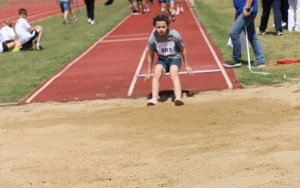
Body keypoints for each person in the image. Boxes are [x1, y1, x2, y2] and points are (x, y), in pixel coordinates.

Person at [145, 12, 193, 106]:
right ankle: (154, 99)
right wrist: (148, 71)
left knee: (173, 72)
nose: (161, 29)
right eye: (158, 27)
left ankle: (178, 98)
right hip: (162, 60)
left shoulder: (174, 35)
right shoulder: (153, 38)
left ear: (167, 26)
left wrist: (186, 65)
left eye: (163, 27)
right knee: (157, 72)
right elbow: (150, 54)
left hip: (174, 59)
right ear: (155, 27)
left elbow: (183, 49)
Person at [223, 0, 265, 68]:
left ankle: (236, 59)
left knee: (233, 32)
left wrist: (247, 9)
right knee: (252, 36)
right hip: (243, 11)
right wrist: (237, 14)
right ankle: (260, 60)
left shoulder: (247, 9)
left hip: (247, 11)